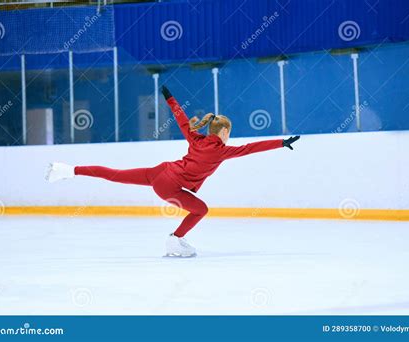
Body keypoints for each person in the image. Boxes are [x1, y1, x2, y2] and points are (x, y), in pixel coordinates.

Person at [46, 86, 300, 257]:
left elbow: (181, 118)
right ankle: (174, 239)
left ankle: (67, 170)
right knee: (201, 209)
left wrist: (169, 98)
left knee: (115, 174)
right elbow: (249, 148)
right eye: (228, 132)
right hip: (168, 187)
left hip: (160, 172)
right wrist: (280, 143)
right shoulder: (222, 150)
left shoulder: (196, 138)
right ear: (224, 132)